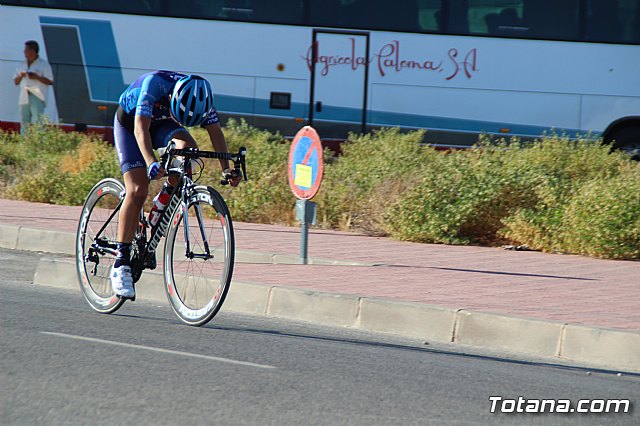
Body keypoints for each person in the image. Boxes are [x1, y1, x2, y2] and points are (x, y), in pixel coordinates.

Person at [111, 70, 241, 299]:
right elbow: (141, 130)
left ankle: (161, 204)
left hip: (162, 123)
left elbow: (216, 135)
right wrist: (151, 161)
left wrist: (227, 169)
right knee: (138, 188)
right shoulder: (155, 85)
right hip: (131, 124)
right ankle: (120, 263)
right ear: (173, 98)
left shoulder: (203, 99)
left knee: (188, 152)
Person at [13, 40, 54, 134]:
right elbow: (15, 82)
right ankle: (24, 144)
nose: (24, 52)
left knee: (38, 122)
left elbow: (50, 81)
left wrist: (36, 77)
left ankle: (37, 143)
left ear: (33, 50)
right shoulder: (21, 64)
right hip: (24, 96)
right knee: (24, 122)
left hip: (37, 95)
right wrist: (21, 76)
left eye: (26, 50)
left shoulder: (43, 64)